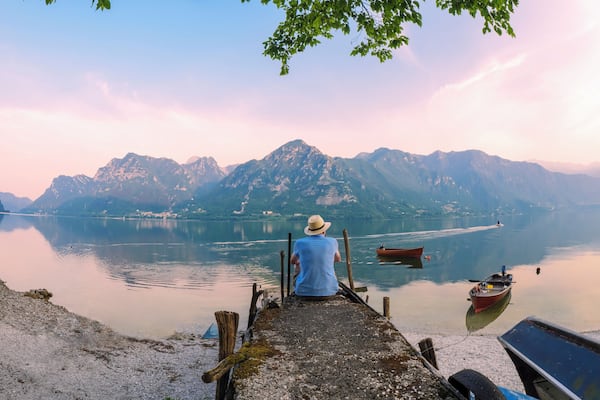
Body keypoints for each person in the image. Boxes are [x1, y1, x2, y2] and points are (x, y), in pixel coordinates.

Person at [291, 214, 341, 298]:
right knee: (328, 262)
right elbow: (338, 259)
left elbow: (292, 261)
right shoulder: (332, 241)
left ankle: (304, 285)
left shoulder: (299, 243)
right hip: (330, 291)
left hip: (303, 292)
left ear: (310, 231)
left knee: (297, 264)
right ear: (324, 230)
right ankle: (328, 285)